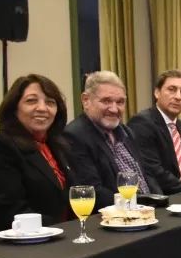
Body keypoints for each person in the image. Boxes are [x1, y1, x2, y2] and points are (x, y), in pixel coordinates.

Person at [0, 74, 75, 232]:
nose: (42, 108)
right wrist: (64, 230)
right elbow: (7, 212)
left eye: (50, 102)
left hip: (65, 239)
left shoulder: (59, 145)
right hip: (27, 246)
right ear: (14, 108)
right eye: (31, 100)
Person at [64, 71, 162, 210]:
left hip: (145, 212)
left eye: (120, 102)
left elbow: (146, 175)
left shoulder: (126, 132)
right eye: (106, 101)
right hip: (112, 219)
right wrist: (139, 205)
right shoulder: (75, 136)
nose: (114, 109)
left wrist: (161, 202)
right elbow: (94, 192)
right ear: (86, 100)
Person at [127, 70, 181, 194]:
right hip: (163, 198)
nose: (178, 97)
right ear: (157, 92)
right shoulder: (142, 123)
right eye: (172, 89)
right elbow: (154, 172)